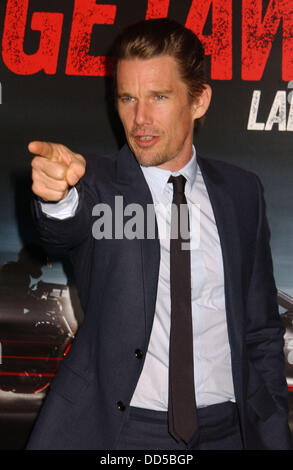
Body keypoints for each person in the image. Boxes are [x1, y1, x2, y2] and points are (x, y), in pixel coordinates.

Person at [26, 18, 292, 450]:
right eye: (127, 98)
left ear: (199, 100)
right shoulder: (94, 184)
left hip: (232, 429)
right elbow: (63, 227)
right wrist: (57, 198)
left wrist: (273, 427)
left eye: (159, 97)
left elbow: (260, 328)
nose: (140, 119)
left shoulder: (243, 192)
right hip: (125, 433)